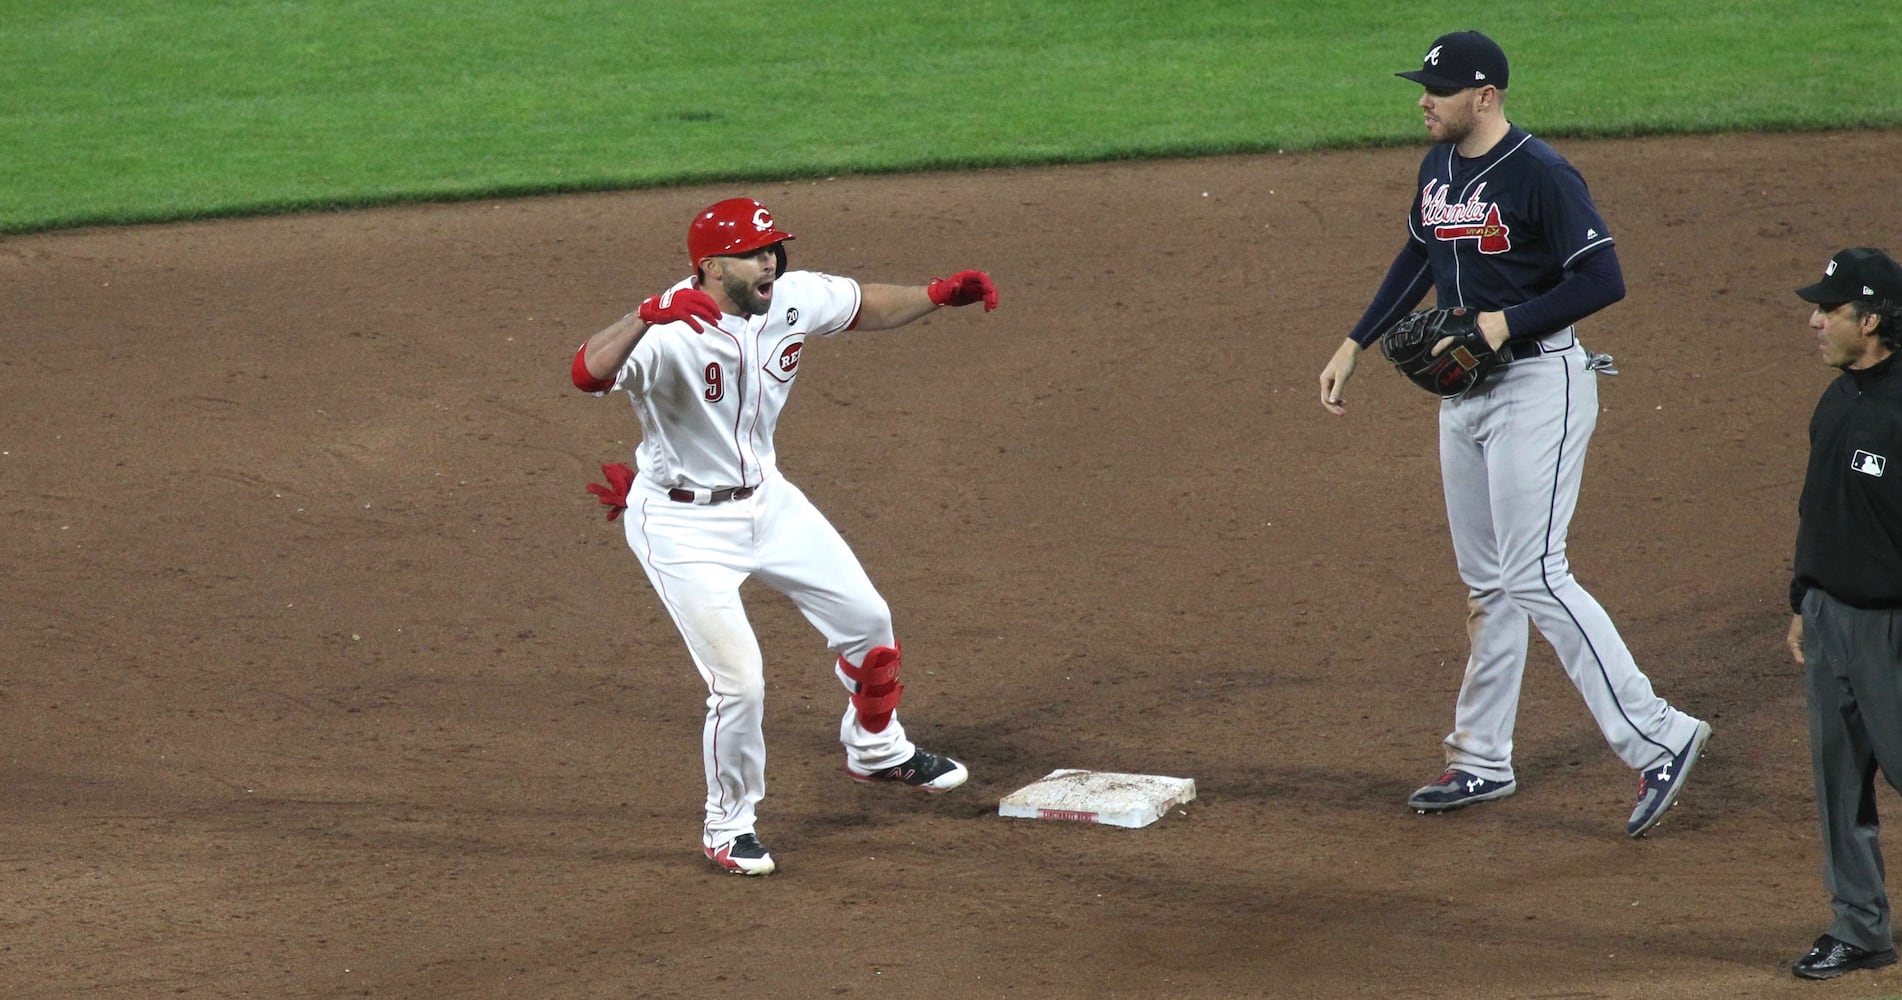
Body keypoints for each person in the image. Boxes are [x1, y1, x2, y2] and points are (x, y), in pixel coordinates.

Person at [1315, 30, 1710, 836]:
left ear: (1486, 95)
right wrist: (1355, 343)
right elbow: (1419, 255)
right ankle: (1482, 759)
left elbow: (1604, 278)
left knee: (1535, 572)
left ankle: (1660, 736)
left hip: (1539, 383)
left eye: (1440, 88)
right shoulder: (1438, 168)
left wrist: (1503, 323)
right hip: (1465, 395)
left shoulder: (1543, 174)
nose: (1423, 99)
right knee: (1489, 582)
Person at [570, 197, 999, 876]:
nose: (769, 261)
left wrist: (937, 295)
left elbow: (865, 305)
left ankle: (876, 748)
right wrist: (643, 317)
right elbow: (586, 372)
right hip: (682, 524)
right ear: (710, 267)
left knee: (869, 623)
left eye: (773, 249)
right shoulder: (669, 327)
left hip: (769, 503)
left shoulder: (790, 300)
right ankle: (727, 826)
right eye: (752, 253)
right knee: (739, 684)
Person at [1784, 247, 1902, 980]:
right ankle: (1859, 925)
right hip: (1830, 619)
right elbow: (1818, 509)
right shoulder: (1838, 397)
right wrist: (1805, 597)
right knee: (1839, 781)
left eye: (1830, 310)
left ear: (1874, 319)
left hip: (1892, 627)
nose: (1815, 320)